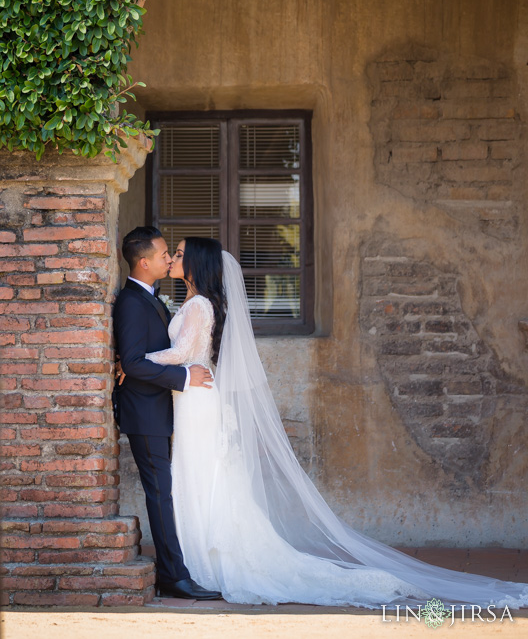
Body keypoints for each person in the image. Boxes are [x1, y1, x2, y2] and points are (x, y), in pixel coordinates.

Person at [131, 235, 528, 607]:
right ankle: (197, 560)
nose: (173, 258)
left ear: (196, 263)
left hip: (198, 400)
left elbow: (183, 352)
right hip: (192, 398)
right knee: (196, 477)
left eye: (180, 253)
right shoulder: (193, 302)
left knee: (202, 477)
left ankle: (206, 562)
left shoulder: (199, 306)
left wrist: (133, 363)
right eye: (172, 252)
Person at [111, 226, 221, 600]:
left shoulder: (154, 299)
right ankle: (174, 575)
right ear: (144, 262)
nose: (169, 259)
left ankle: (177, 568)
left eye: (173, 254)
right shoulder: (130, 302)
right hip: (145, 412)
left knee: (167, 492)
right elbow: (135, 362)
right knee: (161, 493)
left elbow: (147, 356)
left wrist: (145, 364)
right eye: (164, 254)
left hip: (164, 408)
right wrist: (183, 375)